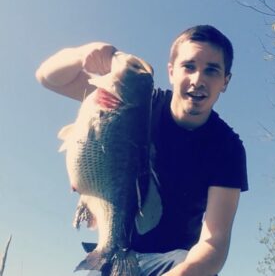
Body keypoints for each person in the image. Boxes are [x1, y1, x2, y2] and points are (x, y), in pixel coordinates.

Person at [36, 25, 248, 276]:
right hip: (115, 252)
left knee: (184, 261)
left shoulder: (228, 148)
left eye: (212, 70)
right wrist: (82, 54)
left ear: (225, 81)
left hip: (174, 262)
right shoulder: (130, 102)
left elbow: (215, 243)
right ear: (171, 71)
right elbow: (47, 76)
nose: (198, 79)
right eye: (188, 66)